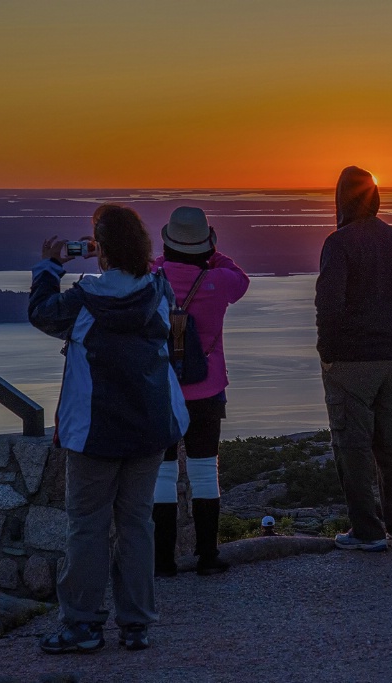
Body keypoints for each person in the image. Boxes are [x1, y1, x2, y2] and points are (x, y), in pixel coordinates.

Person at [29, 204, 188, 653]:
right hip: (148, 427)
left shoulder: (84, 299)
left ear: (101, 249)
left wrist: (49, 266)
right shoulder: (159, 290)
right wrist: (116, 252)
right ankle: (136, 623)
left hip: (94, 432)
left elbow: (43, 313)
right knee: (136, 524)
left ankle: (82, 625)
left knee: (88, 526)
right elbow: (156, 295)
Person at [315, 166, 392, 551]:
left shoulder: (338, 243)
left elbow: (329, 306)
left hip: (351, 361)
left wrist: (328, 354)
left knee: (353, 446)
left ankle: (366, 532)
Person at [151, 206, 250, 576]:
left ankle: (163, 560)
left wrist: (168, 256)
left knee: (161, 474)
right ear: (206, 244)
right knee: (205, 472)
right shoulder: (220, 281)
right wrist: (212, 252)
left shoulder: (152, 277)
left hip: (160, 390)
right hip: (206, 390)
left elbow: (154, 264)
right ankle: (207, 556)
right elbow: (240, 278)